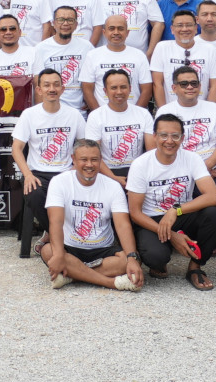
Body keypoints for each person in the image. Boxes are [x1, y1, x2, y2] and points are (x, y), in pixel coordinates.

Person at [126, 113, 216, 289]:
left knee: (215, 215)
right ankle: (159, 258)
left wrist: (175, 210)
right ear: (155, 136)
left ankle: (195, 267)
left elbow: (213, 197)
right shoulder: (141, 164)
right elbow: (135, 213)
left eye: (175, 136)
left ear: (182, 138)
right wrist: (171, 235)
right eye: (163, 135)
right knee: (156, 258)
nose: (169, 141)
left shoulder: (192, 158)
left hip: (181, 214)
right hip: (153, 219)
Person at [38, 140, 143, 291]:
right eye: (84, 159)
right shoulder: (59, 182)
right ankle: (110, 283)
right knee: (48, 251)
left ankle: (72, 275)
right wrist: (60, 254)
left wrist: (132, 257)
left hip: (102, 248)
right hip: (70, 247)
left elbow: (122, 225)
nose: (89, 164)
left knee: (129, 261)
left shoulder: (112, 186)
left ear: (101, 160)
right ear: (73, 159)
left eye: (94, 159)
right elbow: (56, 222)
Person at [11, 70, 85, 256]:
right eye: (47, 85)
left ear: (62, 88)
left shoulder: (74, 115)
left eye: (56, 84)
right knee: (33, 194)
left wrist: (76, 167)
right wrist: (27, 174)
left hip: (67, 172)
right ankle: (60, 236)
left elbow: (84, 146)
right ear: (39, 89)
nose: (52, 89)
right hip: (38, 173)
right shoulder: (29, 115)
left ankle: (51, 236)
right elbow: (16, 148)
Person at [154, 64, 216, 177]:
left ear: (200, 86)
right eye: (184, 84)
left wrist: (205, 166)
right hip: (178, 172)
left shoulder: (213, 108)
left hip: (212, 169)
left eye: (194, 83)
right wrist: (192, 171)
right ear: (174, 88)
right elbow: (161, 146)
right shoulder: (165, 111)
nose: (190, 87)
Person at [151, 10, 216, 105]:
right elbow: (157, 84)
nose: (184, 29)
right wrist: (164, 112)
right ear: (172, 29)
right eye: (180, 25)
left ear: (196, 28)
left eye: (189, 25)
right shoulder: (162, 48)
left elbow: (215, 86)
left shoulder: (210, 49)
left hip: (201, 110)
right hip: (171, 111)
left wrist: (208, 110)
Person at [84, 70, 149, 176]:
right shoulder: (95, 116)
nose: (119, 92)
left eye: (123, 87)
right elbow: (93, 155)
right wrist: (114, 178)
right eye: (114, 88)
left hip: (138, 172)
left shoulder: (143, 114)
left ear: (130, 89)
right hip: (106, 172)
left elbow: (151, 152)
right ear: (105, 91)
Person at [82, 13, 150, 110]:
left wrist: (136, 113)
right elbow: (87, 89)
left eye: (120, 29)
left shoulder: (139, 56)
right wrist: (98, 114)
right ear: (104, 32)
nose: (116, 32)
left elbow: (146, 89)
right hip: (102, 116)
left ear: (127, 33)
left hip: (133, 116)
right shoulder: (92, 56)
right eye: (111, 28)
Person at [33, 5, 91, 110]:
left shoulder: (87, 47)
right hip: (52, 110)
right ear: (53, 23)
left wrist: (90, 100)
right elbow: (38, 84)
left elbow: (93, 79)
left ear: (76, 24)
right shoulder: (41, 48)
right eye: (61, 20)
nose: (65, 23)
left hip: (80, 111)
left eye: (70, 20)